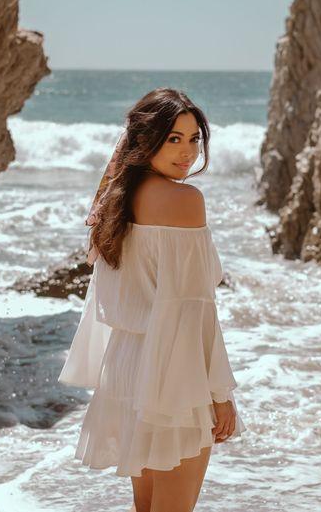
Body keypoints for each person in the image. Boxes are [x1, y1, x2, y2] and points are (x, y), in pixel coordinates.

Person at [58, 87, 246, 512]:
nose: (187, 153)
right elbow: (193, 309)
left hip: (126, 367)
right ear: (145, 141)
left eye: (194, 138)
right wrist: (220, 393)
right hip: (173, 371)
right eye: (173, 138)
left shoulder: (115, 201)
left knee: (145, 508)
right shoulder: (184, 201)